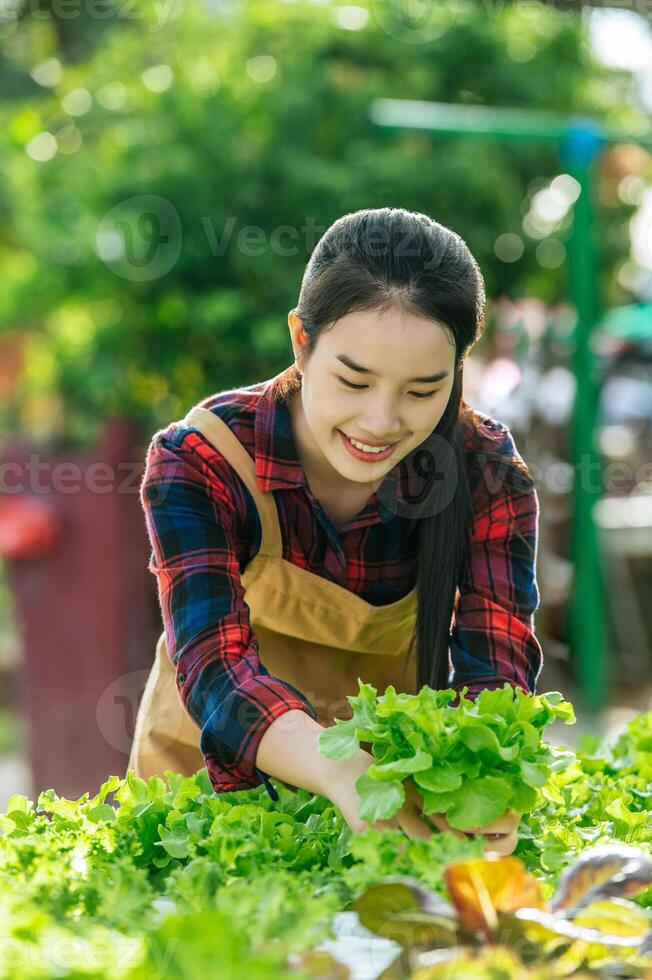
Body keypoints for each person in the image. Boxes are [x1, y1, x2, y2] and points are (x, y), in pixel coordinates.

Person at [128, 207, 543, 857]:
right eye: (354, 380)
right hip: (207, 804)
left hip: (386, 811)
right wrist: (335, 769)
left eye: (422, 390)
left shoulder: (485, 472)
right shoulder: (203, 459)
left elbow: (497, 672)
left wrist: (486, 789)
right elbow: (214, 665)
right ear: (301, 339)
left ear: (459, 370)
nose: (380, 420)